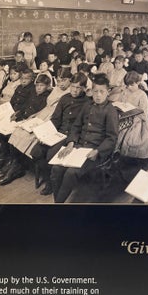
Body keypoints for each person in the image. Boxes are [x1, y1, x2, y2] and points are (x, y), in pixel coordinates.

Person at [50, 74, 118, 203]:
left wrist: (98, 151)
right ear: (91, 91)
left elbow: (111, 137)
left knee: (71, 173)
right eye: (95, 91)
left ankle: (57, 203)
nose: (98, 95)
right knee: (56, 168)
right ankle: (57, 201)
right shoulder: (87, 105)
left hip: (94, 152)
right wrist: (71, 143)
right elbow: (76, 126)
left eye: (102, 92)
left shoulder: (110, 111)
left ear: (108, 92)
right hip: (77, 147)